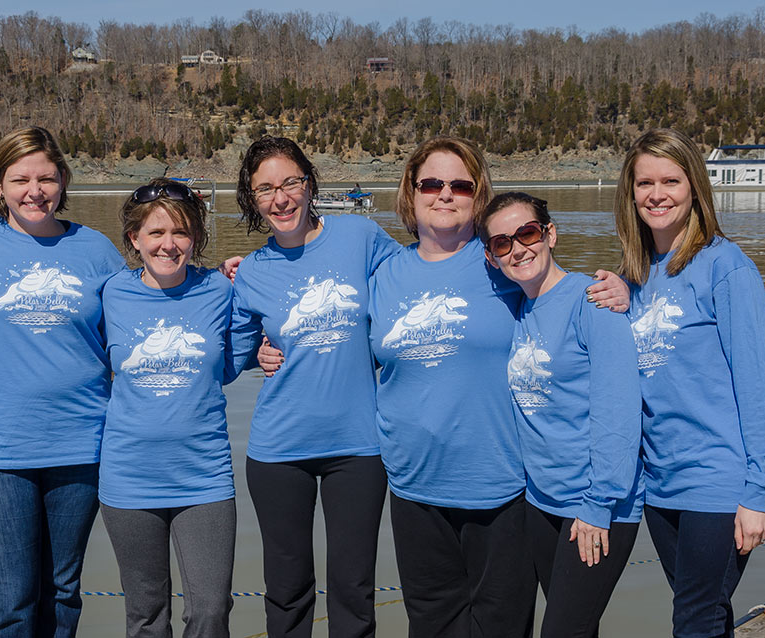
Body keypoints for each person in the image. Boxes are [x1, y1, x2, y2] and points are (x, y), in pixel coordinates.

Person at [366, 136, 630, 637]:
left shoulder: (500, 261)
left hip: (504, 489)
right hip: (413, 487)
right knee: (431, 625)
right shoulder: (382, 273)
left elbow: (560, 293)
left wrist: (624, 292)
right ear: (411, 192)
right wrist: (264, 346)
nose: (446, 194)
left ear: (478, 194)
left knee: (504, 626)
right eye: (432, 183)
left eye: (461, 185)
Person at [0, 126, 124, 637]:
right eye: (20, 179)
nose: (35, 191)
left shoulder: (94, 248)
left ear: (63, 181)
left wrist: (222, 284)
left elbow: (138, 320)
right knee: (10, 602)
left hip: (82, 446)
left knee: (63, 594)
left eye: (47, 178)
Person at [614, 128, 765, 638]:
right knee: (707, 613)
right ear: (630, 192)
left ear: (695, 186)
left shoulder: (725, 267)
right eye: (644, 182)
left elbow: (760, 384)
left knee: (695, 619)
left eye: (671, 179)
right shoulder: (638, 274)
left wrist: (760, 492)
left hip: (718, 481)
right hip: (661, 482)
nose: (657, 193)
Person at [229, 136, 400, 638]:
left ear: (309, 184)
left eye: (290, 183)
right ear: (252, 199)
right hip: (279, 448)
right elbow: (230, 357)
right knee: (286, 590)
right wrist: (254, 347)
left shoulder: (360, 237)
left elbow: (416, 281)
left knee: (353, 590)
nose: (280, 199)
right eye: (265, 190)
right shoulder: (251, 272)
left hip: (358, 446)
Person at [477, 192, 642, 638]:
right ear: (492, 257)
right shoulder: (516, 308)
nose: (518, 249)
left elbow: (619, 410)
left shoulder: (593, 302)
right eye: (501, 244)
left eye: (527, 233)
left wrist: (598, 503)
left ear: (550, 234)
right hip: (540, 501)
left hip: (594, 506)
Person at [99, 178, 237, 637]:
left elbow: (249, 343)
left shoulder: (221, 289)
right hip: (129, 478)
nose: (168, 244)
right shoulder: (109, 293)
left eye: (180, 233)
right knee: (146, 615)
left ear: (195, 238)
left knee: (211, 611)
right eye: (155, 233)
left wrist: (267, 353)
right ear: (134, 240)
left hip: (204, 477)